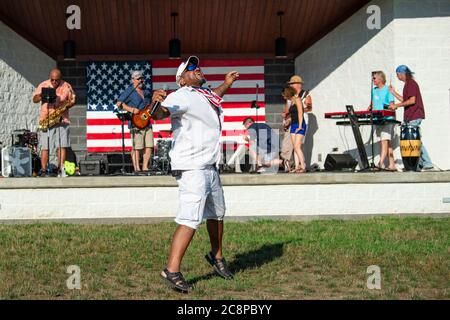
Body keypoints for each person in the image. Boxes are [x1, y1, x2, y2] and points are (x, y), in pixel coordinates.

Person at [152, 56, 239, 293]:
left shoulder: (204, 94)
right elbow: (162, 113)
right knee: (191, 218)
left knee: (217, 213)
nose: (196, 68)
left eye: (197, 66)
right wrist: (156, 104)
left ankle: (216, 256)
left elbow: (216, 95)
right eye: (190, 68)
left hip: (209, 165)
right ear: (181, 79)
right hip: (192, 167)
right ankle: (171, 270)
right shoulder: (182, 94)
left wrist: (227, 83)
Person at [389, 65, 434, 171]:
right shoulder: (408, 84)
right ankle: (419, 164)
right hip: (411, 116)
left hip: (414, 115)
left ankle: (427, 163)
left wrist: (396, 106)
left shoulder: (411, 84)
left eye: (398, 74)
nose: (397, 77)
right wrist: (393, 92)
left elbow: (412, 101)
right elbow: (405, 100)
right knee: (413, 141)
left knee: (414, 141)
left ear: (402, 74)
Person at [33, 68, 76, 177]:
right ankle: (43, 169)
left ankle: (60, 168)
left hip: (62, 120)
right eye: (52, 80)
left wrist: (65, 106)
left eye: (56, 80)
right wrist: (42, 95)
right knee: (45, 146)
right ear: (50, 77)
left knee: (62, 145)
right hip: (47, 119)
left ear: (60, 78)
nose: (54, 82)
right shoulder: (43, 84)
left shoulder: (67, 86)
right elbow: (34, 99)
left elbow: (72, 100)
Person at [116, 70, 154, 172]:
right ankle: (137, 168)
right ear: (133, 80)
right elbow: (119, 103)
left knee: (149, 145)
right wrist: (131, 109)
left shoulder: (146, 91)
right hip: (135, 123)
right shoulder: (129, 91)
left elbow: (150, 104)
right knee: (137, 146)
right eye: (138, 79)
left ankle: (145, 167)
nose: (141, 80)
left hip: (147, 122)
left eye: (142, 78)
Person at [280, 75, 312, 172]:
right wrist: (286, 116)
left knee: (298, 146)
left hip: (300, 122)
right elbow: (287, 111)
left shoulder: (304, 95)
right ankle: (294, 166)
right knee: (291, 145)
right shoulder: (290, 98)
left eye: (292, 84)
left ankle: (302, 165)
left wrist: (300, 113)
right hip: (292, 122)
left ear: (298, 85)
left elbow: (308, 108)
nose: (291, 86)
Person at [368, 71, 396, 171]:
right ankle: (392, 165)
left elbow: (392, 105)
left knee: (384, 141)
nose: (373, 80)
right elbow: (372, 104)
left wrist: (387, 109)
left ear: (380, 79)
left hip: (387, 119)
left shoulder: (388, 89)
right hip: (377, 119)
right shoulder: (374, 90)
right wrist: (369, 108)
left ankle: (380, 163)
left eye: (374, 78)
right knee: (386, 142)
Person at [282, 86, 307, 173]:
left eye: (284, 94)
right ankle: (296, 167)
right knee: (294, 148)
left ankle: (303, 166)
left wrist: (300, 126)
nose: (283, 96)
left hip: (300, 125)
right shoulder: (291, 102)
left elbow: (300, 113)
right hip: (293, 125)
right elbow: (293, 115)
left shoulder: (297, 99)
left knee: (297, 146)